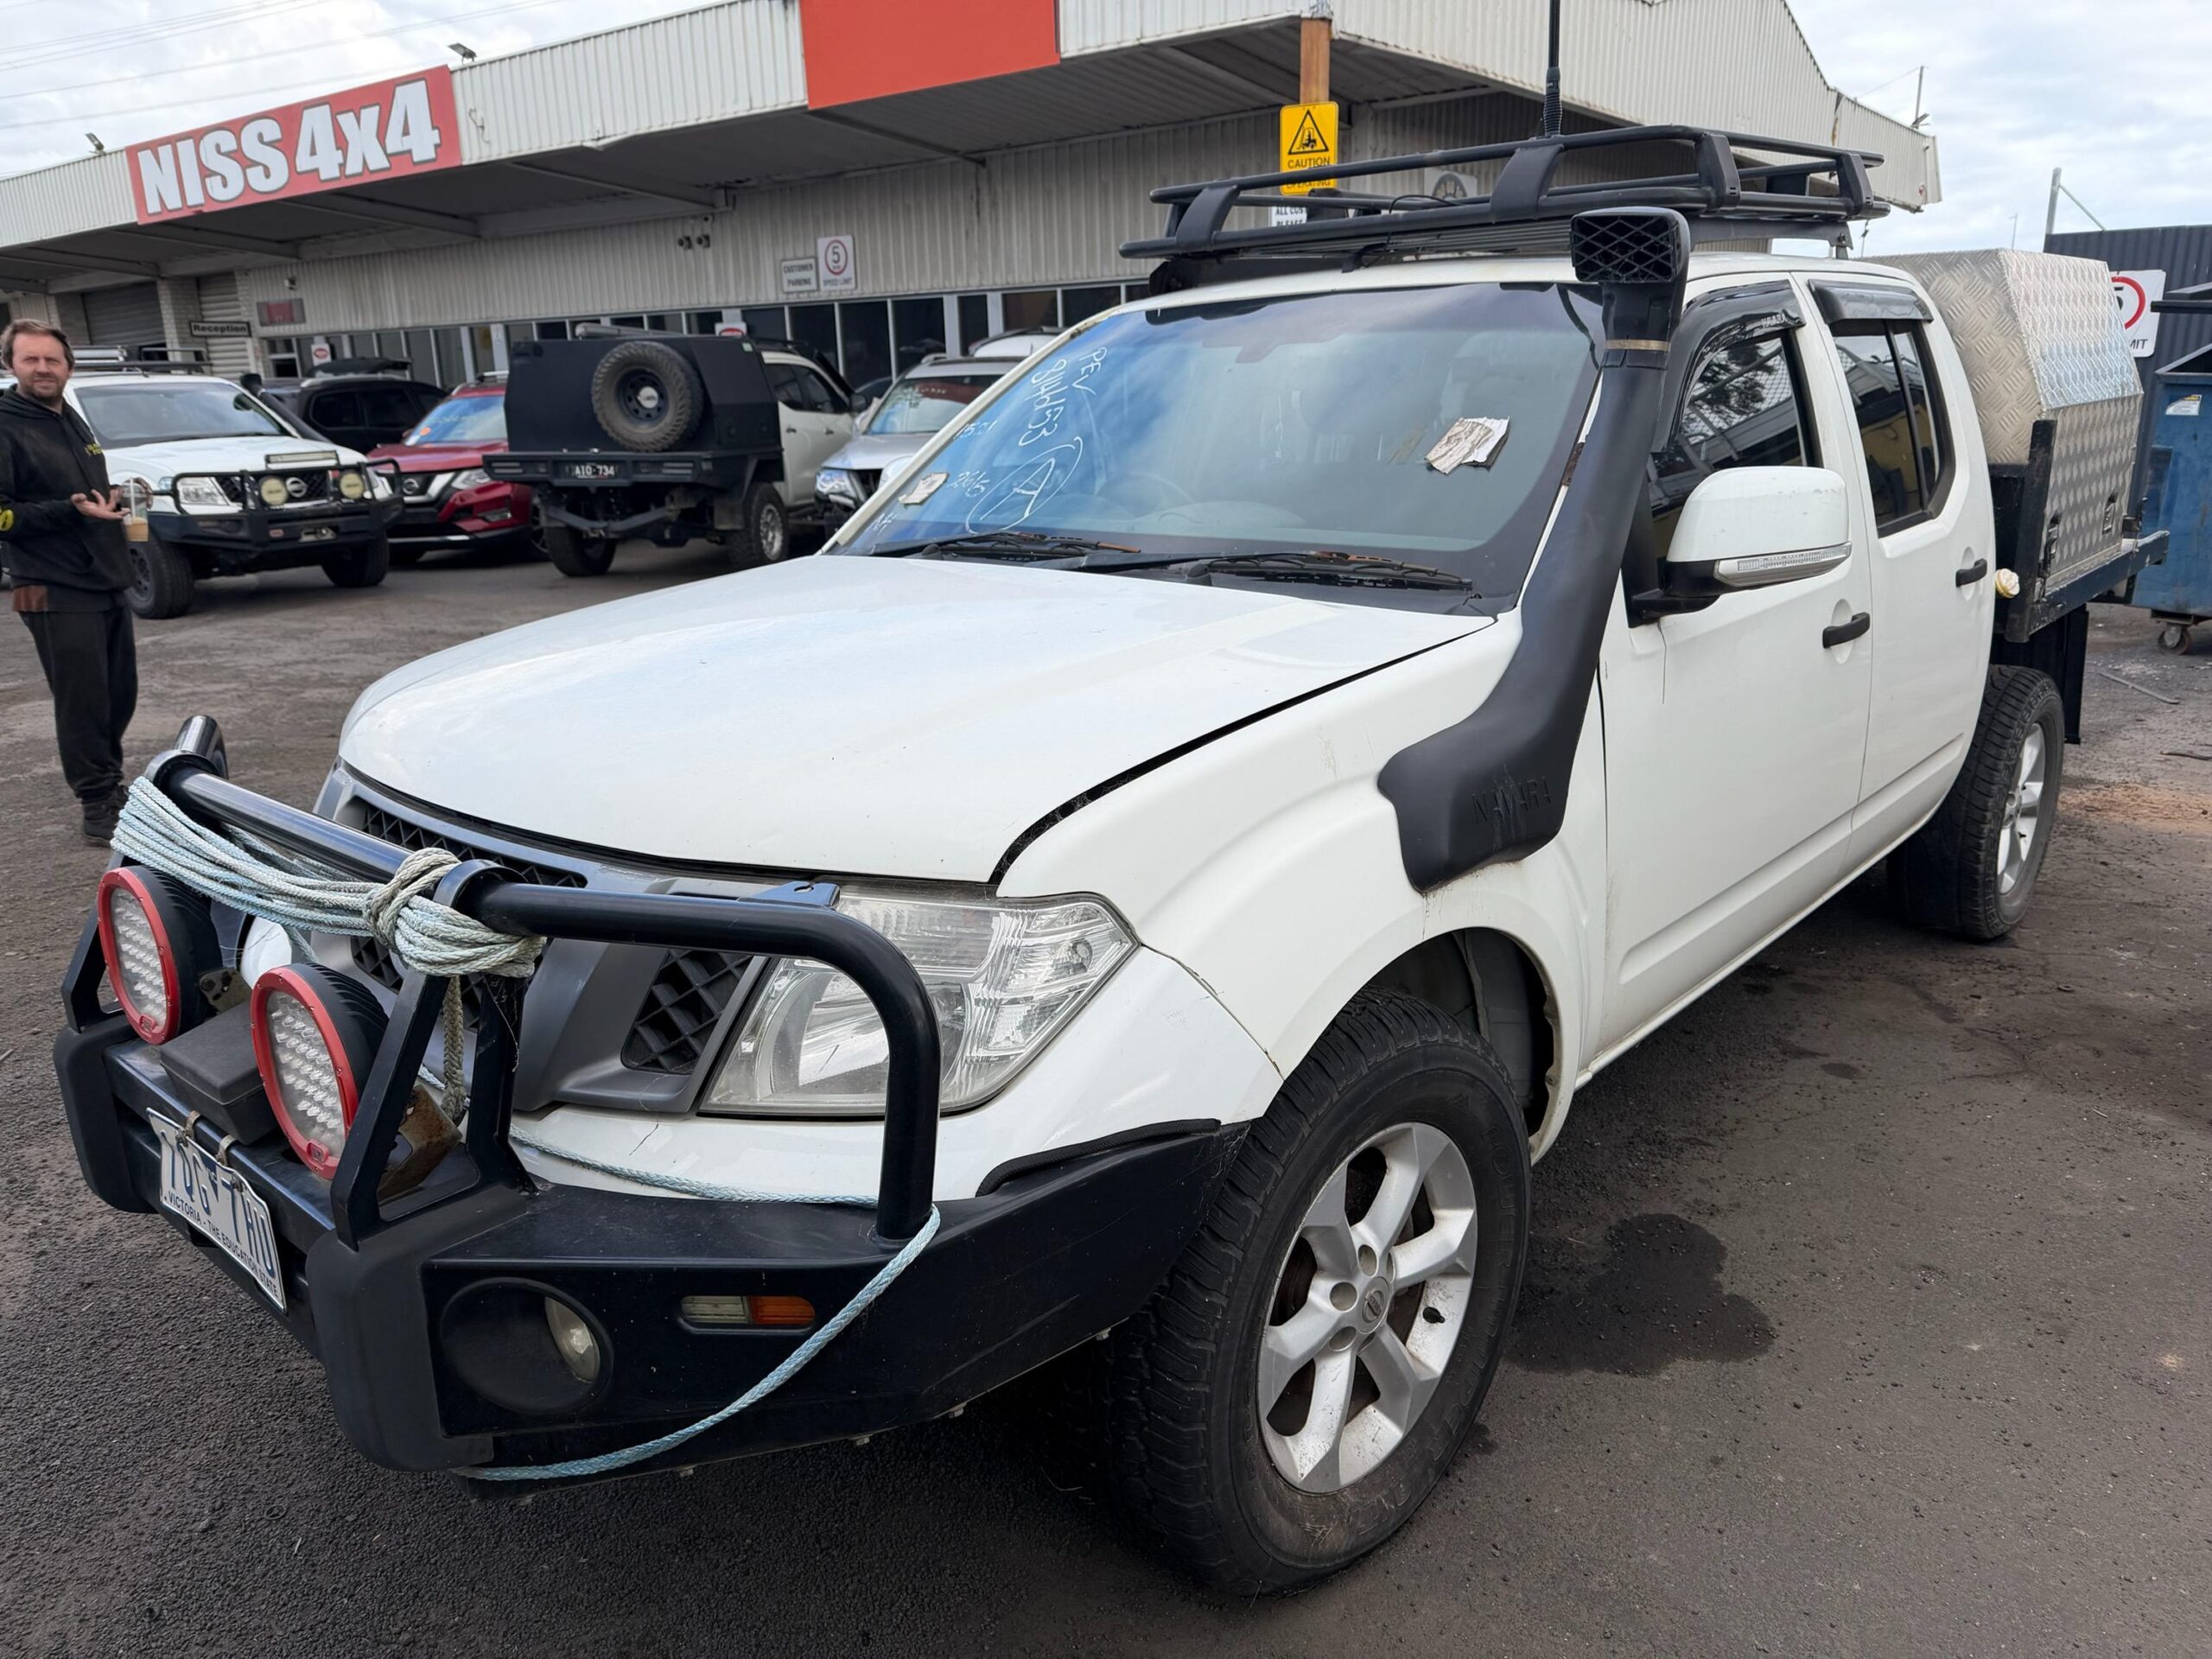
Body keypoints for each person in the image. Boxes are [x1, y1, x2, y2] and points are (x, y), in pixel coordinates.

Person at [0, 319, 137, 842]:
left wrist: (110, 498)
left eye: (52, 360)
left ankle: (112, 783)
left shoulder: (69, 417)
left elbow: (83, 492)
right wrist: (69, 510)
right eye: (30, 359)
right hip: (53, 586)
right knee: (82, 701)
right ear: (10, 364)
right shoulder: (6, 423)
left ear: (68, 367)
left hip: (104, 577)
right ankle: (97, 803)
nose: (42, 368)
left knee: (118, 695)